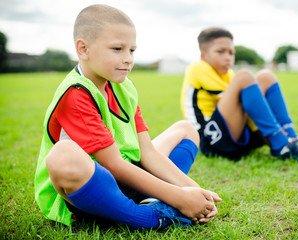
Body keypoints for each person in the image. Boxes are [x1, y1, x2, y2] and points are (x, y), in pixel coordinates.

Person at [34, 4, 221, 230]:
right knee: (63, 156)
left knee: (185, 130)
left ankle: (156, 202)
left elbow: (147, 153)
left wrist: (195, 192)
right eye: (117, 49)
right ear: (83, 49)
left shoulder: (124, 87)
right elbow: (113, 165)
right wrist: (179, 198)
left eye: (132, 50)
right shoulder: (75, 93)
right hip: (97, 186)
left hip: (129, 175)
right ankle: (149, 217)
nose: (128, 59)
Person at [180, 27, 298, 161]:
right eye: (221, 52)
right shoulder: (197, 68)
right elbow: (242, 97)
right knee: (245, 77)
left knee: (266, 76)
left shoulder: (229, 74)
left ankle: (291, 138)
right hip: (211, 141)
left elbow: (247, 101)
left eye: (231, 52)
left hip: (235, 134)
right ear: (204, 55)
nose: (228, 57)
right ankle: (281, 144)